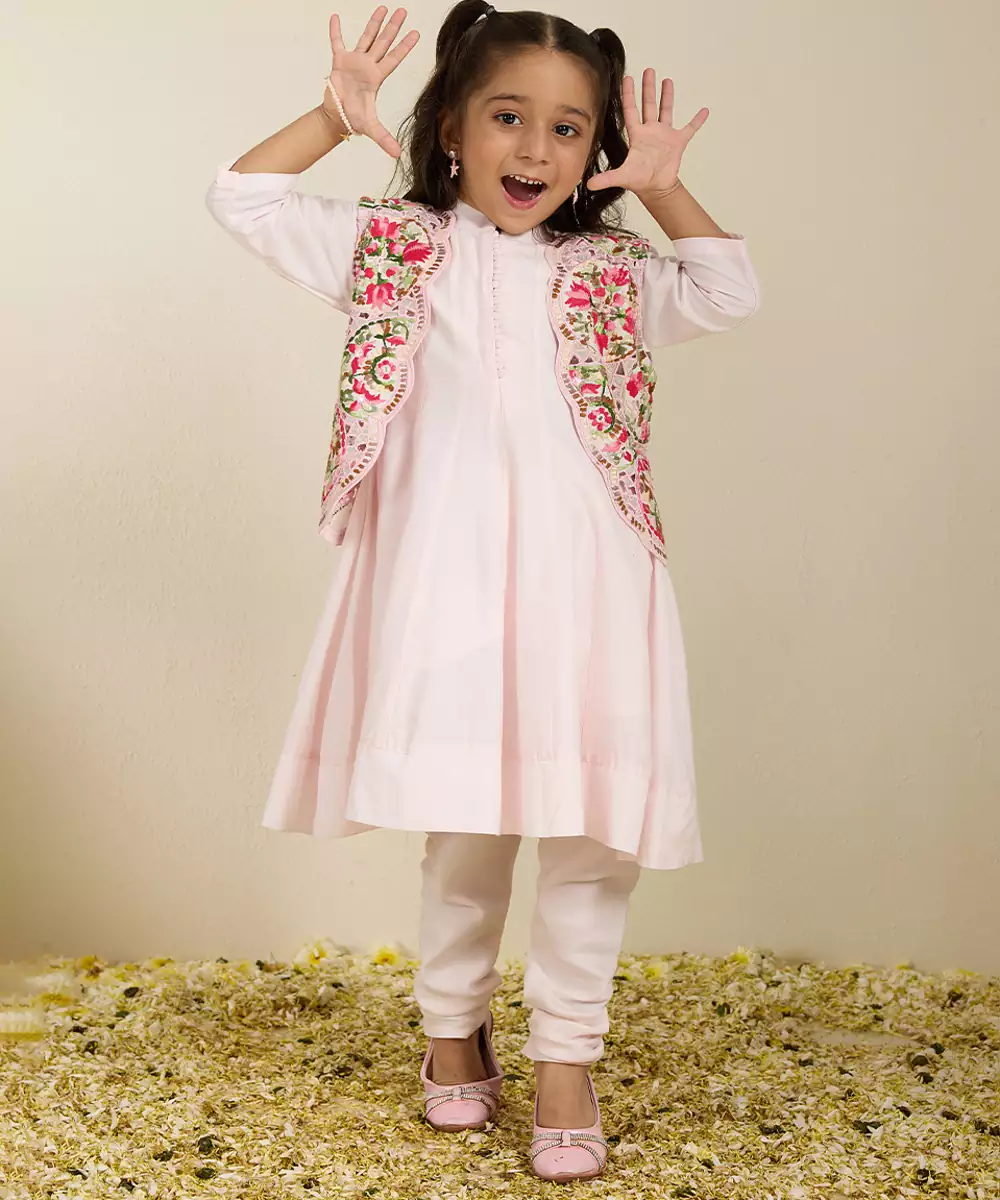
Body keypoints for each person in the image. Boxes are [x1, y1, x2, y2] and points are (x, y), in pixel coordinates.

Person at [205, 0, 760, 1182]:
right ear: (450, 126)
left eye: (568, 129)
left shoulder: (609, 272)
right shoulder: (395, 248)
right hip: (446, 582)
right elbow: (241, 198)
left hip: (591, 585)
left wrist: (664, 190)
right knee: (467, 823)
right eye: (508, 117)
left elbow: (725, 290)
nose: (535, 150)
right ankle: (452, 1032)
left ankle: (567, 1059)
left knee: (592, 830)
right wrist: (328, 116)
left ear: (595, 149)